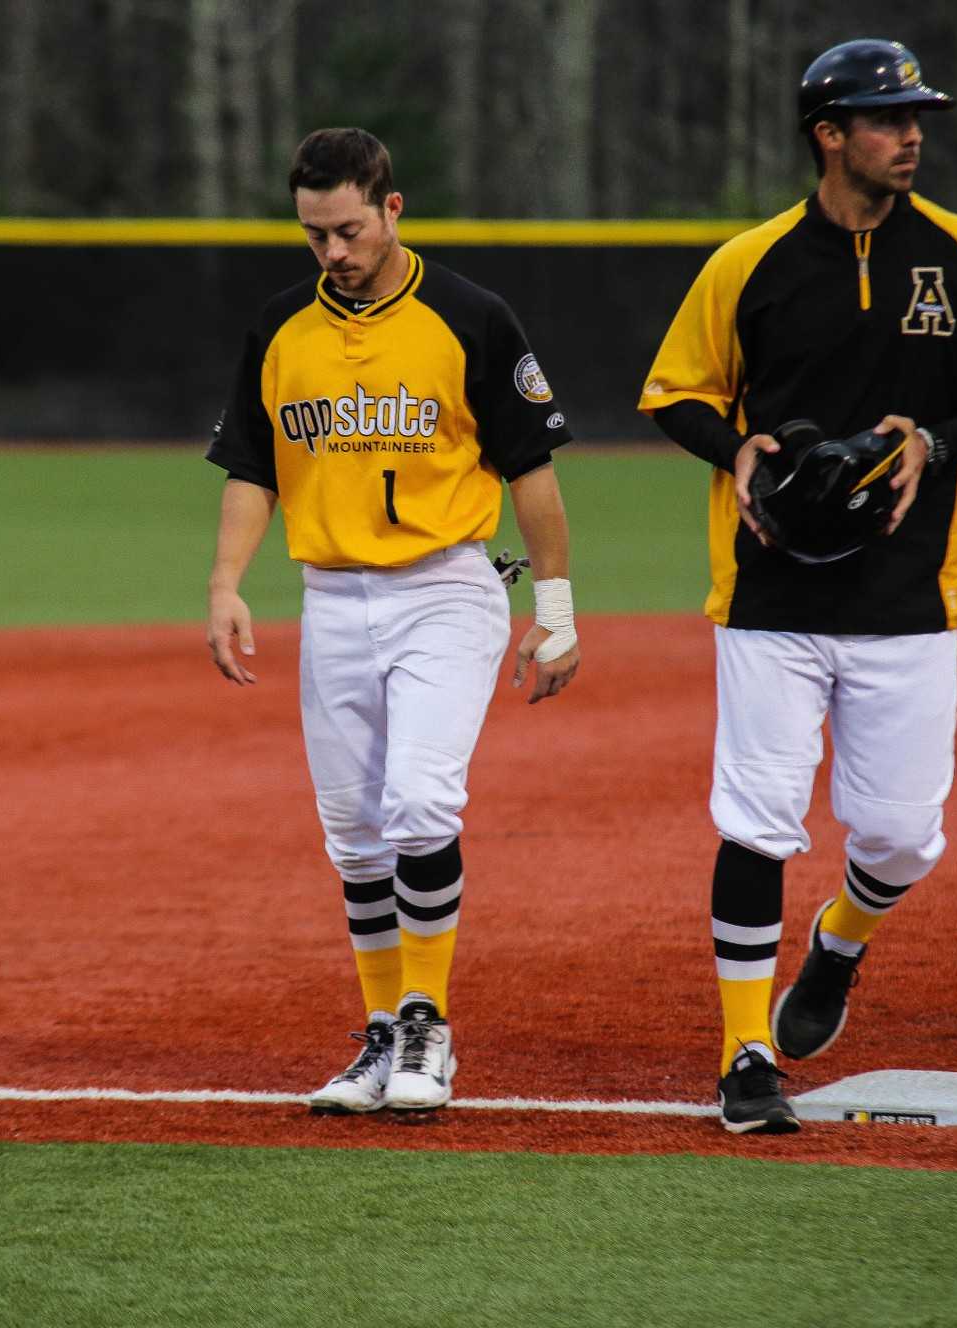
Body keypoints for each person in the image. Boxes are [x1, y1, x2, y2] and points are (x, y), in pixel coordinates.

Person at [637, 39, 957, 1134]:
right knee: (754, 820)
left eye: (915, 113)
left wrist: (935, 437)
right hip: (769, 598)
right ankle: (741, 1053)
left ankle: (834, 947)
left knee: (900, 836)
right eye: (884, 116)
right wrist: (727, 449)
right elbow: (674, 391)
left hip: (909, 599)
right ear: (827, 134)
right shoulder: (750, 263)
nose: (909, 132)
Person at [206, 128, 581, 1115]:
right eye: (312, 234)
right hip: (331, 599)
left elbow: (532, 478)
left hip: (445, 589)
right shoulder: (281, 329)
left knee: (417, 800)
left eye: (346, 229)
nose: (331, 251)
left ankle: (427, 1023)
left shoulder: (468, 317)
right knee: (353, 836)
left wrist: (555, 611)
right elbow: (252, 466)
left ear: (391, 208)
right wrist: (224, 582)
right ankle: (379, 1035)